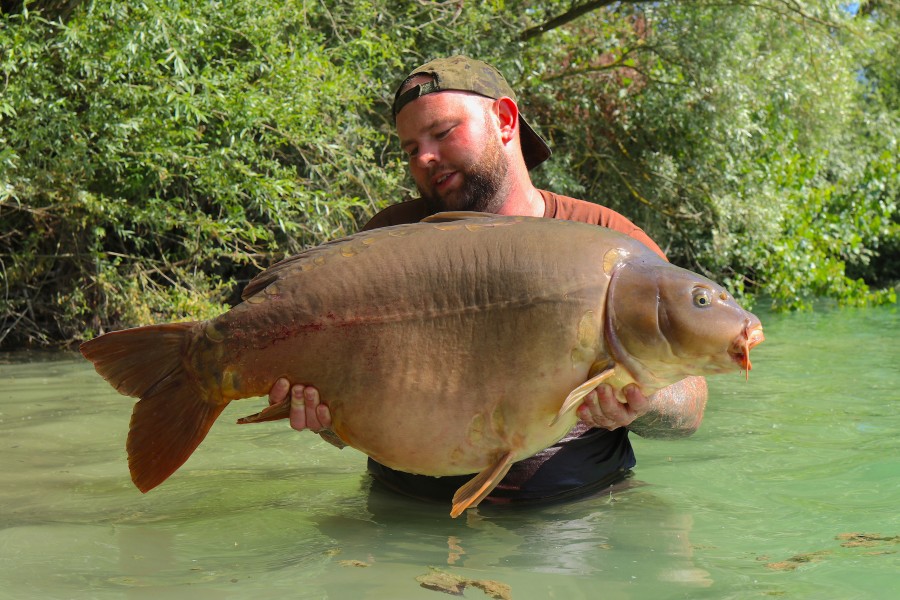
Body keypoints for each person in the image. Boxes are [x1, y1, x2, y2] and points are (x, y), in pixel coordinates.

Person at [267, 56, 708, 506]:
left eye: (441, 133)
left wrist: (640, 402)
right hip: (402, 517)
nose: (423, 156)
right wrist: (327, 422)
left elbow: (691, 406)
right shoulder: (386, 244)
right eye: (410, 148)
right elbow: (345, 412)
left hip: (575, 520)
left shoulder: (609, 243)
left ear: (504, 119)